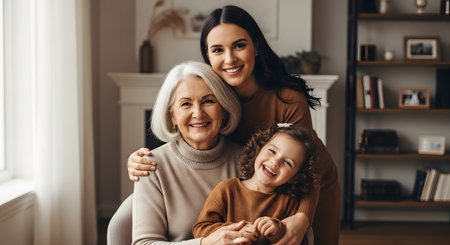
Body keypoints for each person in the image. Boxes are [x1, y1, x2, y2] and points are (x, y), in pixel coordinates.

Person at [119, 5, 341, 245]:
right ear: (208, 56)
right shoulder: (212, 91)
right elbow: (191, 135)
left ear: (256, 46)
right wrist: (143, 160)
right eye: (217, 50)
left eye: (239, 45)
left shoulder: (286, 99)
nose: (229, 59)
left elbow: (307, 161)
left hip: (309, 181)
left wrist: (302, 217)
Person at [130, 60, 257, 244]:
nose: (198, 113)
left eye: (208, 101)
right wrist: (205, 243)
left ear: (223, 108)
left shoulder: (249, 161)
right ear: (171, 116)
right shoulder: (150, 165)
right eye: (185, 104)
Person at [192, 124, 318, 245]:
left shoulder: (290, 202)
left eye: (287, 162)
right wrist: (236, 230)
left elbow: (298, 240)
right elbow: (200, 229)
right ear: (259, 148)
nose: (275, 162)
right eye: (272, 151)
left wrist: (278, 231)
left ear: (295, 176)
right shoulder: (226, 189)